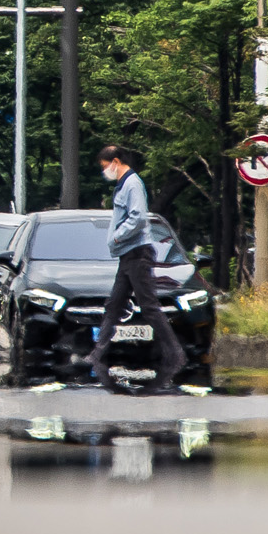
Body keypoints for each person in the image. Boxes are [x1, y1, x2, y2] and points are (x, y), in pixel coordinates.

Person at [87, 145, 186, 392]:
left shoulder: (132, 184)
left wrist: (118, 237)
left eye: (105, 166)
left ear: (116, 161)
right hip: (128, 257)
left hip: (137, 254)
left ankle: (175, 353)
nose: (105, 172)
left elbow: (137, 217)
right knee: (114, 305)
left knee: (150, 306)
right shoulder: (123, 185)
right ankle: (98, 352)